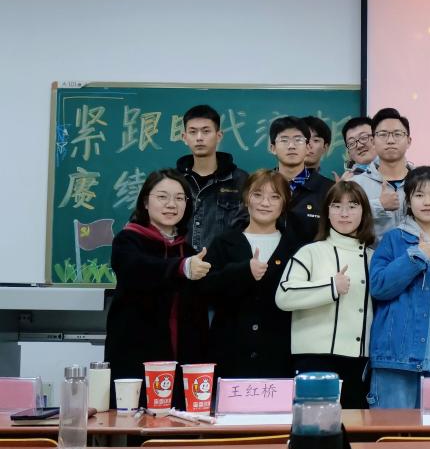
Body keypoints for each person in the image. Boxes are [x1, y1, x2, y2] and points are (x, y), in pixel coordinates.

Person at [104, 169, 210, 405]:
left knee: (179, 423)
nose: (171, 205)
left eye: (179, 198)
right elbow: (137, 269)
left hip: (183, 361)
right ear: (145, 202)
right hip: (135, 356)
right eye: (162, 197)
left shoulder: (189, 252)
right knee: (134, 419)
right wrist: (181, 268)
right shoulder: (128, 241)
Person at [368, 167, 430, 408]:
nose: (427, 202)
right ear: (408, 201)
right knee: (391, 429)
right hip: (396, 358)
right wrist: (416, 256)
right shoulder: (394, 239)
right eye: (419, 195)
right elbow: (378, 287)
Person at [276, 181, 377, 408]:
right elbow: (284, 295)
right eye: (336, 206)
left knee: (356, 426)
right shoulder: (310, 251)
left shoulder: (374, 258)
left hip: (360, 361)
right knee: (314, 424)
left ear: (364, 212)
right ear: (327, 212)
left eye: (352, 206)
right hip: (314, 358)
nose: (344, 214)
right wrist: (330, 287)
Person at [201, 170, 300, 379]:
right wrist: (243, 271)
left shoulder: (297, 247)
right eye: (258, 195)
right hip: (230, 353)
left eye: (275, 197)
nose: (265, 203)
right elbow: (204, 290)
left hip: (279, 355)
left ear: (284, 204)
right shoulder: (224, 242)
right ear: (246, 198)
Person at [175, 104, 247, 252]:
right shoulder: (173, 181)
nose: (199, 138)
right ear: (184, 137)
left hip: (224, 264)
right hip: (180, 263)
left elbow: (248, 228)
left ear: (219, 136)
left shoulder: (240, 180)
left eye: (206, 131)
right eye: (193, 132)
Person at [352, 108, 415, 239]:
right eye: (383, 134)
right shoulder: (356, 184)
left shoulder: (424, 181)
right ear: (373, 141)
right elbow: (345, 220)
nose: (390, 140)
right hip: (372, 252)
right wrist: (378, 206)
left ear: (409, 141)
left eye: (397, 134)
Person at [269, 116, 332, 245]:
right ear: (273, 148)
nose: (291, 146)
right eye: (284, 140)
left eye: (298, 140)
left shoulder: (329, 189)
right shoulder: (259, 186)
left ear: (308, 147)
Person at [339, 115, 375, 180]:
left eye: (363, 138)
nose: (359, 145)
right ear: (349, 152)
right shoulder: (349, 181)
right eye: (351, 143)